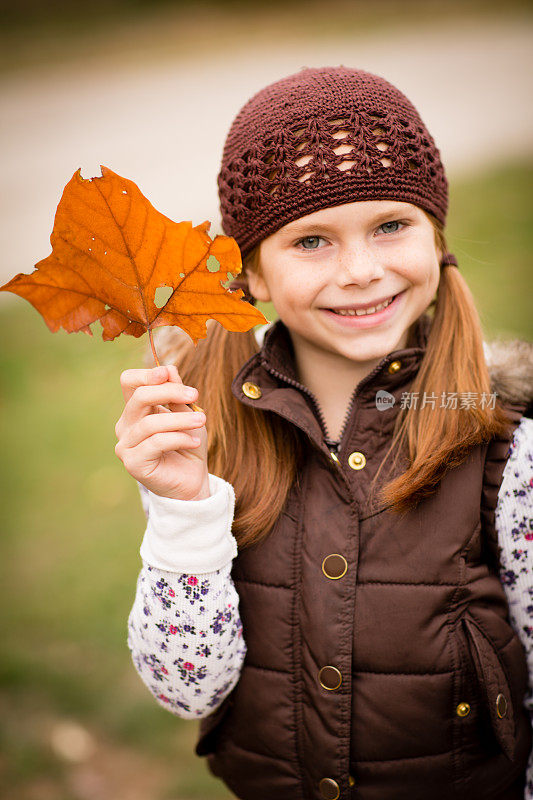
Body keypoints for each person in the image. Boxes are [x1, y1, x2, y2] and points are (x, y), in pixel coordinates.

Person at [115, 67, 533, 800]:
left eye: (390, 225)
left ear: (436, 237)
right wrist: (183, 513)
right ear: (252, 277)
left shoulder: (507, 447)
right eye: (311, 240)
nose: (361, 271)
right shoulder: (204, 434)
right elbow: (187, 692)